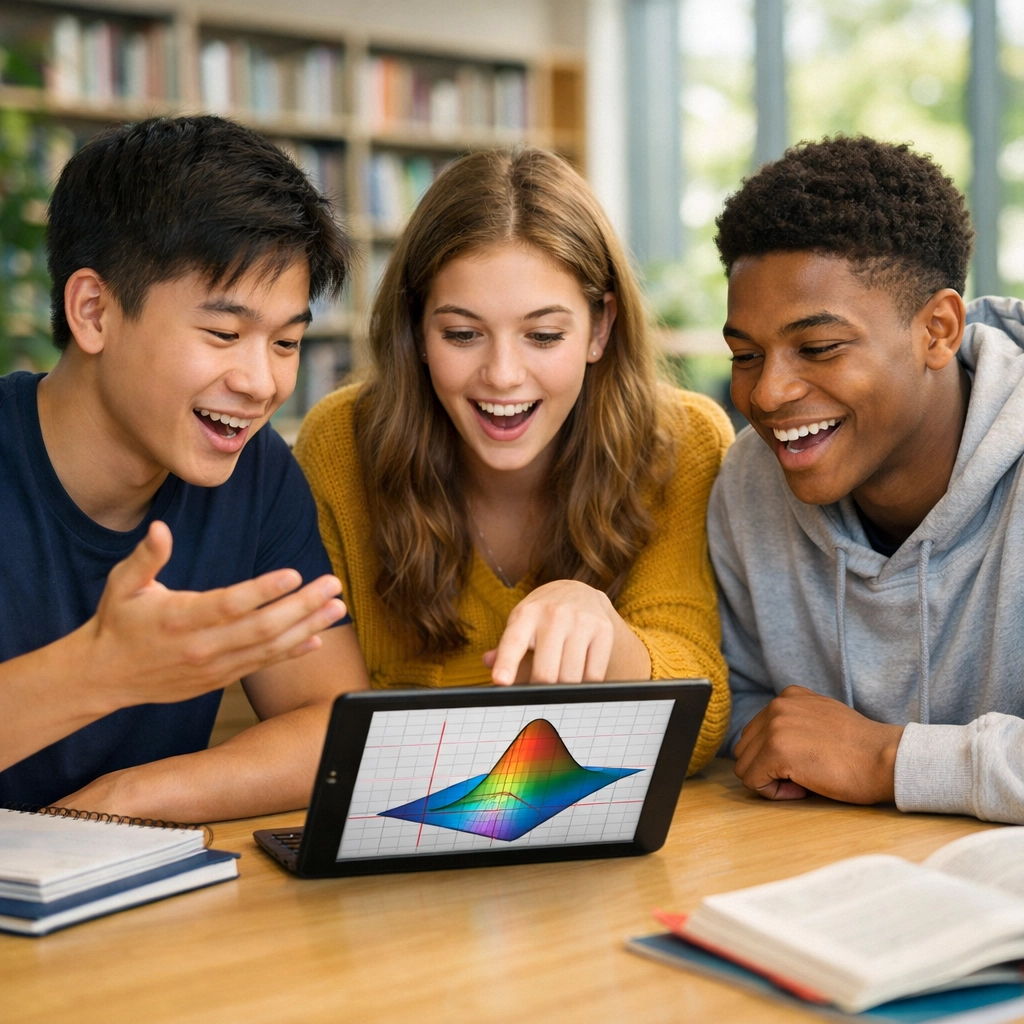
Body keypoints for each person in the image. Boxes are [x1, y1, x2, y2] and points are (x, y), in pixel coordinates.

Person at [294, 147, 732, 773]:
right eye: (462, 334)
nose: (502, 375)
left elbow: (700, 722)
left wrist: (603, 634)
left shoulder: (683, 440)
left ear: (600, 328)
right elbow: (330, 733)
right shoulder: (341, 442)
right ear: (417, 330)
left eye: (544, 336)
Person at [0, 116, 370, 821]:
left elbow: (336, 726)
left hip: (133, 901)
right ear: (94, 310)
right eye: (224, 334)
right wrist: (100, 672)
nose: (261, 383)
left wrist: (130, 798)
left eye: (287, 342)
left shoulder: (255, 476)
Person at [708, 134, 1024, 822]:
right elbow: (749, 708)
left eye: (818, 348)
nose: (767, 395)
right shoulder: (749, 482)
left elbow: (863, 758)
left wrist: (887, 760)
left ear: (937, 330)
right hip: (837, 885)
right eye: (745, 354)